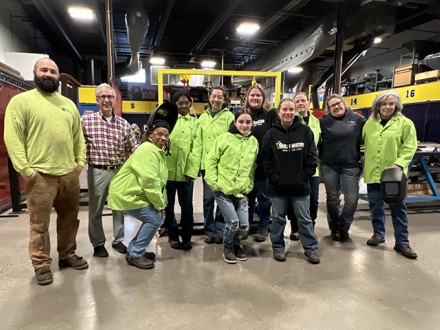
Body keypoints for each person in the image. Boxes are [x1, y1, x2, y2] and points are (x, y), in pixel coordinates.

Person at [4, 57, 88, 285]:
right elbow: (13, 138)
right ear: (35, 73)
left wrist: (79, 165)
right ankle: (41, 264)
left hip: (69, 174)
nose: (49, 74)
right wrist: (27, 171)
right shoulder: (22, 102)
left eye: (53, 71)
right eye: (44, 70)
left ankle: (67, 255)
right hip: (40, 176)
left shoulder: (68, 105)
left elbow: (78, 138)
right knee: (39, 225)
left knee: (70, 220)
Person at [81, 83, 139, 258]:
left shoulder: (123, 124)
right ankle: (98, 243)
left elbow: (134, 147)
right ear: (96, 100)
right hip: (97, 171)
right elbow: (77, 146)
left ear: (114, 100)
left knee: (119, 207)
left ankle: (118, 239)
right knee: (96, 209)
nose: (106, 100)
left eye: (109, 97)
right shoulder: (86, 121)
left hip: (119, 171)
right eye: (102, 97)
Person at [261, 98, 320, 264]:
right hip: (277, 187)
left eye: (291, 109)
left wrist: (305, 176)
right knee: (278, 219)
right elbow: (266, 159)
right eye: (284, 109)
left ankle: (311, 249)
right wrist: (273, 177)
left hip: (301, 187)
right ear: (279, 112)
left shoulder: (306, 131)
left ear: (295, 111)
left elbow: (312, 157)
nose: (288, 113)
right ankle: (278, 247)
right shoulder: (271, 134)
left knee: (305, 219)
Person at [108, 120, 171, 269]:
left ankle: (135, 249)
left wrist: (161, 203)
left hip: (135, 193)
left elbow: (158, 182)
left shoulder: (156, 151)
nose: (162, 138)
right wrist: (160, 205)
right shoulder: (147, 150)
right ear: (150, 134)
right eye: (159, 134)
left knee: (156, 218)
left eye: (166, 135)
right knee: (155, 219)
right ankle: (135, 253)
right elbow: (149, 181)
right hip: (126, 194)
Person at [362, 91, 418, 259]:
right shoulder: (369, 124)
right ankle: (378, 234)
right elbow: (360, 142)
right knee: (375, 205)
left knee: (398, 207)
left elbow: (410, 146)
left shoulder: (405, 124)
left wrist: (399, 163)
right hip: (373, 172)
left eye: (391, 104)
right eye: (383, 104)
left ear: (396, 106)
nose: (387, 107)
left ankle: (402, 241)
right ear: (377, 106)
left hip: (393, 176)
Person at [205, 109, 258, 264]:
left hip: (240, 191)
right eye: (241, 121)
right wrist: (214, 183)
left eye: (248, 122)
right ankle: (228, 247)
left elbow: (253, 167)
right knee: (233, 222)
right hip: (222, 190)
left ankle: (236, 244)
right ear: (235, 123)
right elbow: (211, 161)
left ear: (252, 124)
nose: (244, 125)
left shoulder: (254, 142)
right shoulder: (224, 139)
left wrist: (249, 185)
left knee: (244, 225)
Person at [319, 94, 366, 241]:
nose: (336, 107)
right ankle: (334, 228)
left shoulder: (358, 120)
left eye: (338, 103)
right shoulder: (323, 121)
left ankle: (344, 226)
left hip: (350, 165)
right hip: (329, 165)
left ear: (343, 103)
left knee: (352, 199)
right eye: (332, 105)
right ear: (328, 108)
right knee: (332, 198)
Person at [164, 90, 201, 250]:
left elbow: (197, 148)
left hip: (186, 174)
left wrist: (191, 171)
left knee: (187, 207)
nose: (184, 106)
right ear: (175, 104)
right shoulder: (167, 121)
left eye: (187, 103)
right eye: (180, 103)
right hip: (167, 172)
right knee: (168, 206)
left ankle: (186, 237)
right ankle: (172, 235)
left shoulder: (195, 123)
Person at [198, 86, 235, 244]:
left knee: (222, 200)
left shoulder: (229, 118)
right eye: (214, 96)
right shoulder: (202, 118)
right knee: (207, 199)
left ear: (225, 100)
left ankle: (220, 230)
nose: (216, 100)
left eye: (220, 97)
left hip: (223, 167)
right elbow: (198, 143)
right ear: (209, 98)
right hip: (207, 167)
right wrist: (199, 165)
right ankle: (208, 230)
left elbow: (233, 142)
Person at [243, 83, 278, 242]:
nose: (255, 98)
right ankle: (247, 225)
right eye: (252, 95)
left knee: (264, 197)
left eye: (258, 95)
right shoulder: (244, 114)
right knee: (247, 197)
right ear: (247, 98)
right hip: (247, 165)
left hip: (264, 164)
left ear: (263, 97)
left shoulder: (271, 114)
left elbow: (277, 135)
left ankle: (263, 227)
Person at [289, 92, 321, 241]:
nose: (300, 103)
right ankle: (295, 227)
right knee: (295, 199)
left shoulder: (317, 122)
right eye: (297, 101)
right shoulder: (291, 121)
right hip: (294, 169)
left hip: (312, 170)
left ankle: (310, 226)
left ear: (309, 103)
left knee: (313, 200)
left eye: (303, 101)